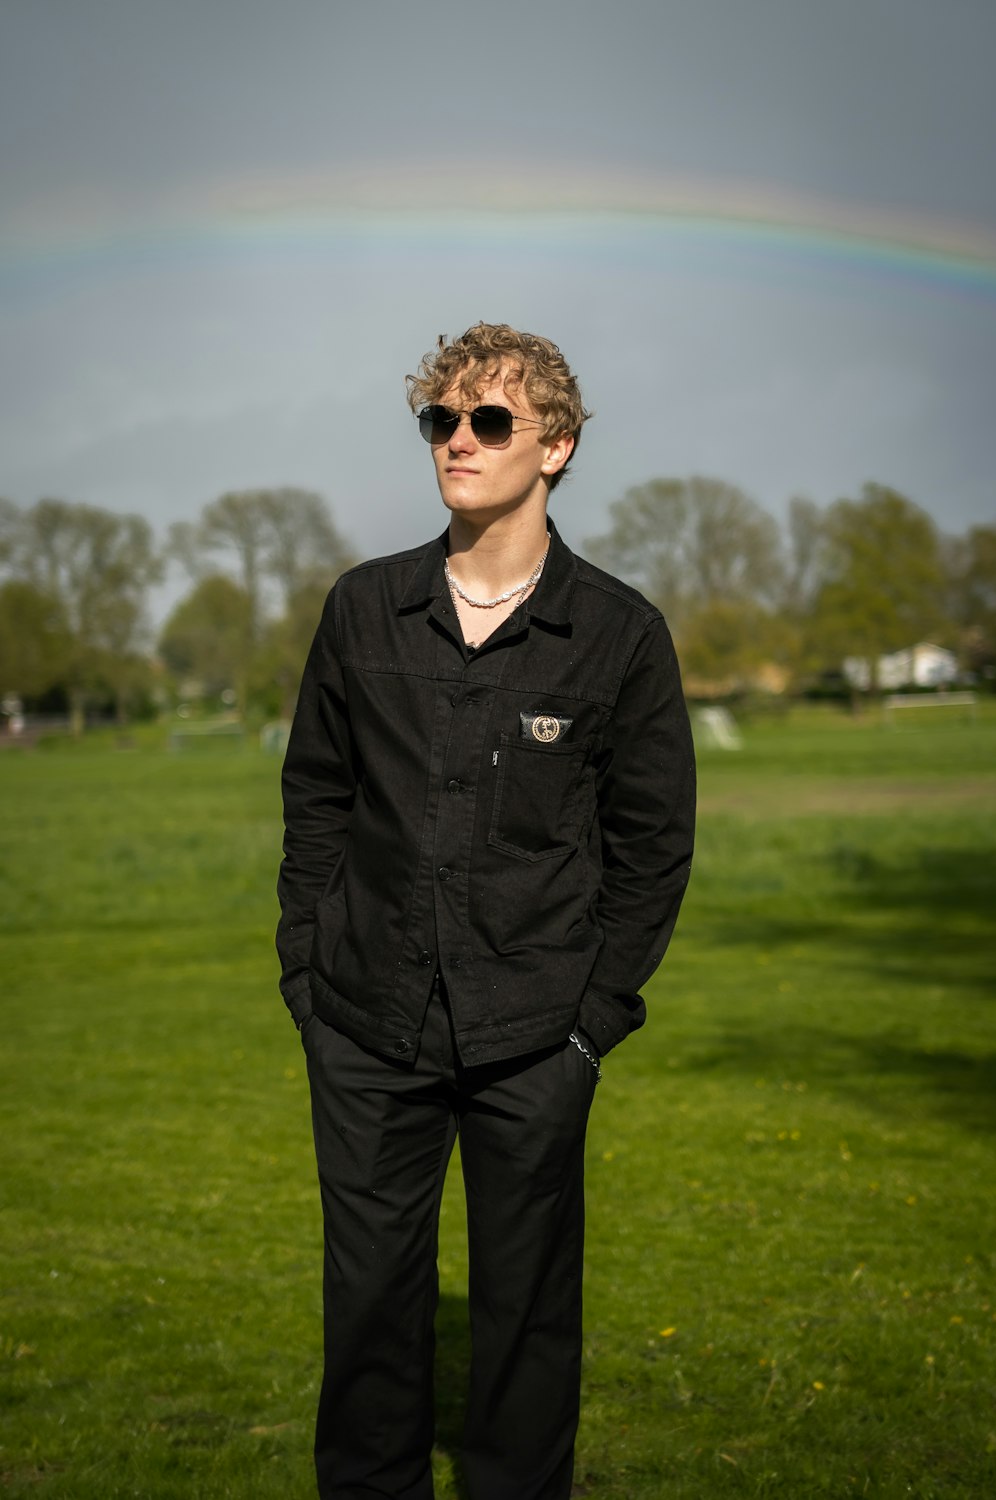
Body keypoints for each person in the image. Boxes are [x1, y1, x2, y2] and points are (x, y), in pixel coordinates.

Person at [277, 322, 696, 1500]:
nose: (457, 441)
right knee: (367, 1311)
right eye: (439, 420)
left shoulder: (618, 634)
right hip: (362, 1025)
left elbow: (651, 844)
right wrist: (306, 970)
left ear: (555, 446)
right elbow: (315, 796)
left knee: (522, 1324)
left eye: (489, 421)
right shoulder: (362, 611)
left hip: (533, 1037)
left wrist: (590, 1022)